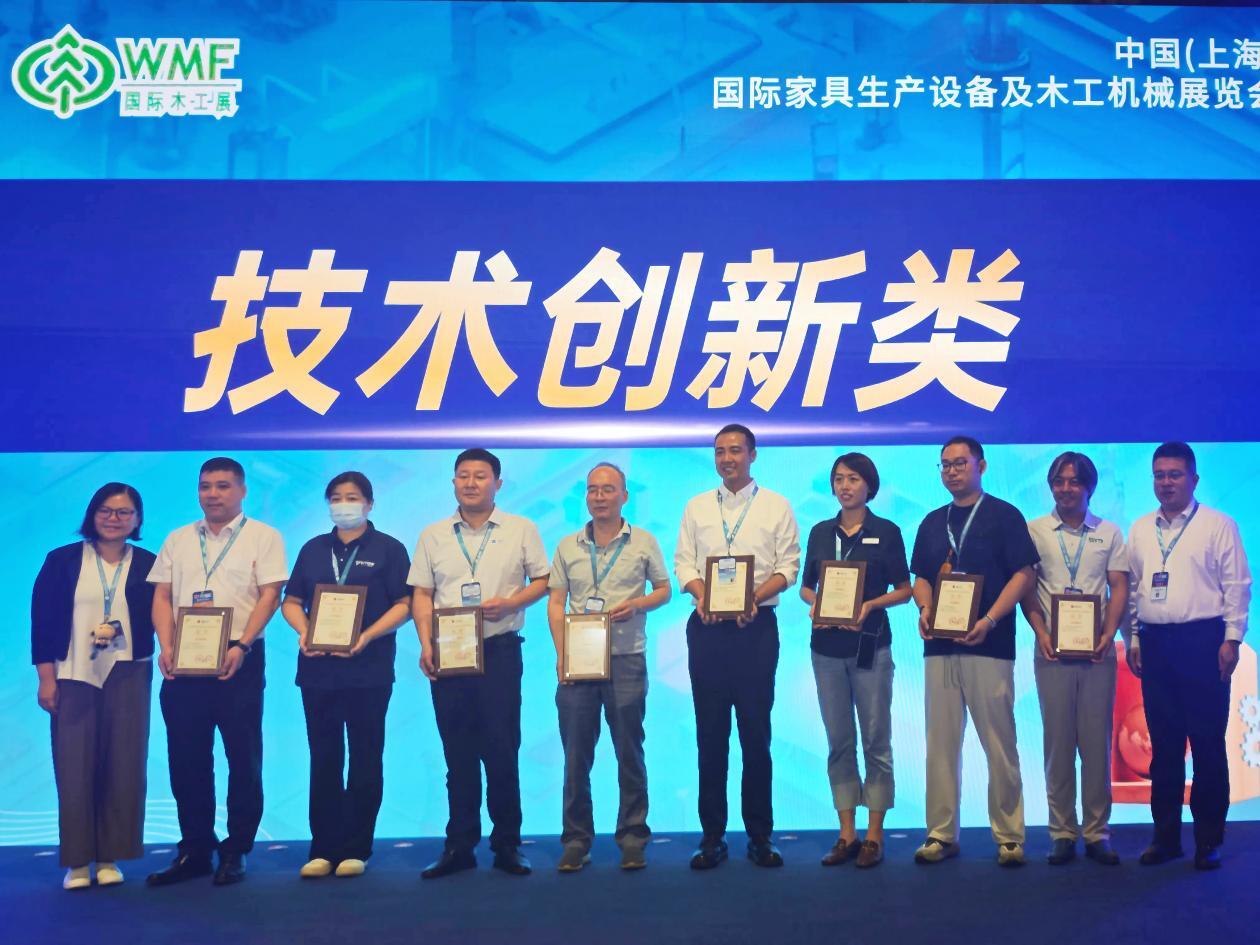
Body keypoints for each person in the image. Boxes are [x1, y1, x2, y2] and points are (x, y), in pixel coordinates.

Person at [146, 457, 288, 887]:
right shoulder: (178, 538)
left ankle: (237, 848)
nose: (213, 494)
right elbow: (162, 596)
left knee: (243, 757)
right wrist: (166, 646)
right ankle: (195, 849)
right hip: (185, 656)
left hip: (238, 656)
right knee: (186, 757)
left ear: (242, 491)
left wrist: (242, 645)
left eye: (223, 486)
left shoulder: (263, 536)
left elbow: (271, 595)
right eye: (206, 486)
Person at [410, 448, 550, 878]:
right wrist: (425, 644)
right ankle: (460, 845)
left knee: (502, 751)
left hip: (500, 650)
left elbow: (543, 580)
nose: (471, 483)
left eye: (480, 475)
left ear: (498, 484)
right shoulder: (433, 534)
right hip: (450, 653)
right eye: (463, 475)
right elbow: (422, 594)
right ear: (453, 483)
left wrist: (512, 602)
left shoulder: (521, 529)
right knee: (458, 755)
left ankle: (507, 844)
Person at [674, 423, 800, 870]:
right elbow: (684, 563)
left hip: (755, 628)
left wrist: (754, 597)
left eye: (735, 451)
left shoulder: (776, 505)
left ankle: (760, 836)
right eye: (720, 452)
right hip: (707, 628)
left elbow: (789, 566)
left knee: (755, 735)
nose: (727, 459)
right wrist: (702, 596)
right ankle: (712, 836)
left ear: (753, 455)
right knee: (710, 736)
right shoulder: (696, 506)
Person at [910, 436, 1037, 868]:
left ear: (981, 466)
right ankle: (941, 834)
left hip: (990, 643)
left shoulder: (1005, 515)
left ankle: (1010, 836)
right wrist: (925, 609)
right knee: (940, 744)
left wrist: (991, 620)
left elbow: (1024, 575)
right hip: (939, 647)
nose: (951, 471)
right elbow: (921, 578)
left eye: (960, 463)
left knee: (999, 743)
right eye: (944, 465)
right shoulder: (932, 521)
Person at [1125, 442, 1251, 870]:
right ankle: (1165, 839)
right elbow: (1136, 589)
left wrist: (1232, 639)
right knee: (1164, 747)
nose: (1166, 483)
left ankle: (1208, 840)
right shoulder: (1141, 528)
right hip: (1155, 644)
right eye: (1159, 475)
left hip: (1204, 642)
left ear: (1194, 479)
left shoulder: (1218, 525)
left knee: (1207, 744)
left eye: (1175, 474)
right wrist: (1135, 638)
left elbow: (1237, 585)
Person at [281, 471, 412, 879]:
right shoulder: (313, 549)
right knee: (324, 758)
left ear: (369, 504)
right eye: (336, 497)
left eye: (352, 497)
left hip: (368, 670)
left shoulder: (389, 549)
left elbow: (405, 604)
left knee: (365, 757)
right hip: (318, 670)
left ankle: (357, 847)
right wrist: (305, 632)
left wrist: (368, 635)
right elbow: (291, 601)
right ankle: (323, 847)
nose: (343, 504)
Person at [546, 462, 671, 872]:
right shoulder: (567, 546)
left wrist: (637, 604)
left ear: (624, 495)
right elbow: (555, 602)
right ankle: (576, 840)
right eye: (592, 490)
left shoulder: (644, 542)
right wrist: (562, 654)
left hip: (626, 658)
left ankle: (632, 837)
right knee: (575, 756)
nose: (599, 497)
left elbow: (664, 591)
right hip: (579, 662)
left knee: (629, 752)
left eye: (608, 489)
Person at [31, 483, 156, 890]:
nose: (113, 519)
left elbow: (165, 617)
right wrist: (46, 679)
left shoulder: (149, 564)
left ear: (137, 519)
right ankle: (78, 862)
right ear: (92, 514)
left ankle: (109, 858)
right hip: (73, 672)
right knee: (74, 767)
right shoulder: (62, 560)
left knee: (125, 765)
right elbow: (42, 622)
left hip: (129, 672)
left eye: (123, 512)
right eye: (105, 510)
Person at [799, 453, 911, 869]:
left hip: (870, 646)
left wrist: (869, 605)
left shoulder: (887, 531)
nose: (845, 486)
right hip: (826, 648)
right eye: (839, 479)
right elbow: (806, 587)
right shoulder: (820, 532)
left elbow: (905, 589)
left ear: (870, 485)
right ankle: (846, 833)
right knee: (839, 741)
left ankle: (874, 835)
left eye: (853, 479)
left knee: (876, 740)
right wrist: (815, 604)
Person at [1020, 452, 1128, 866]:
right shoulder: (1034, 531)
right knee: (1057, 743)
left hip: (1098, 653)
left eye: (1075, 482)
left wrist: (1108, 634)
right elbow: (1027, 589)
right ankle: (1062, 831)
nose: (1066, 489)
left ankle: (1098, 832)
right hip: (1052, 650)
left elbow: (1118, 587)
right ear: (1051, 486)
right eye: (1059, 482)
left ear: (1089, 487)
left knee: (1097, 744)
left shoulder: (1109, 532)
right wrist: (1042, 633)